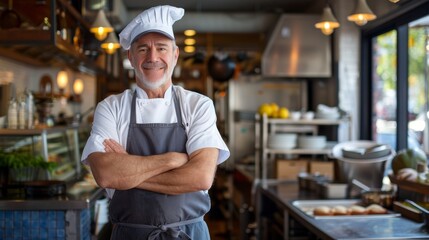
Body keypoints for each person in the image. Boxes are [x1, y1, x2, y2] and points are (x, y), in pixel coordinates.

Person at [81, 5, 230, 240]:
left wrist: (129, 172)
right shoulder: (110, 107)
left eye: (161, 48)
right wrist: (173, 160)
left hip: (189, 234)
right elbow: (107, 175)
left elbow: (200, 177)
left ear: (175, 55)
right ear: (130, 57)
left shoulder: (198, 105)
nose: (152, 58)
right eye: (143, 49)